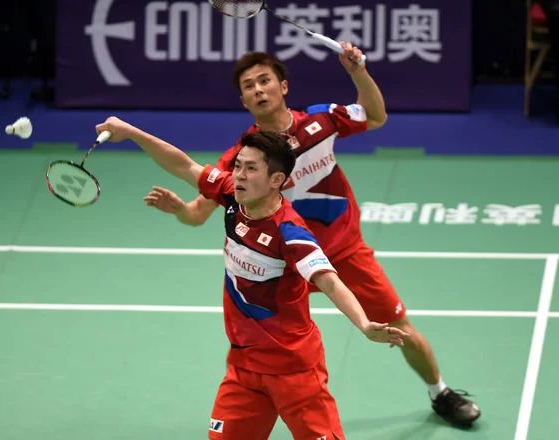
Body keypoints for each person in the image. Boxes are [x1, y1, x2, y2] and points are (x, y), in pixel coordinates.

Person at [143, 43, 481, 426]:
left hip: (343, 251)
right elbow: (197, 215)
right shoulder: (242, 160)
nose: (258, 90)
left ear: (283, 86)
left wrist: (357, 72)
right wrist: (179, 210)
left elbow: (376, 116)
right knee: (265, 346)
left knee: (398, 324)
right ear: (243, 101)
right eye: (249, 86)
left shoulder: (320, 121)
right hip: (283, 268)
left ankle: (441, 392)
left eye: (265, 80)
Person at [94, 118, 409, 439]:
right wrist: (132, 132)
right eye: (238, 166)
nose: (240, 175)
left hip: (294, 370)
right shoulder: (231, 194)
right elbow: (183, 165)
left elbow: (328, 280)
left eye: (251, 169)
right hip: (244, 368)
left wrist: (364, 325)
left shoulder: (290, 232)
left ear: (277, 180)